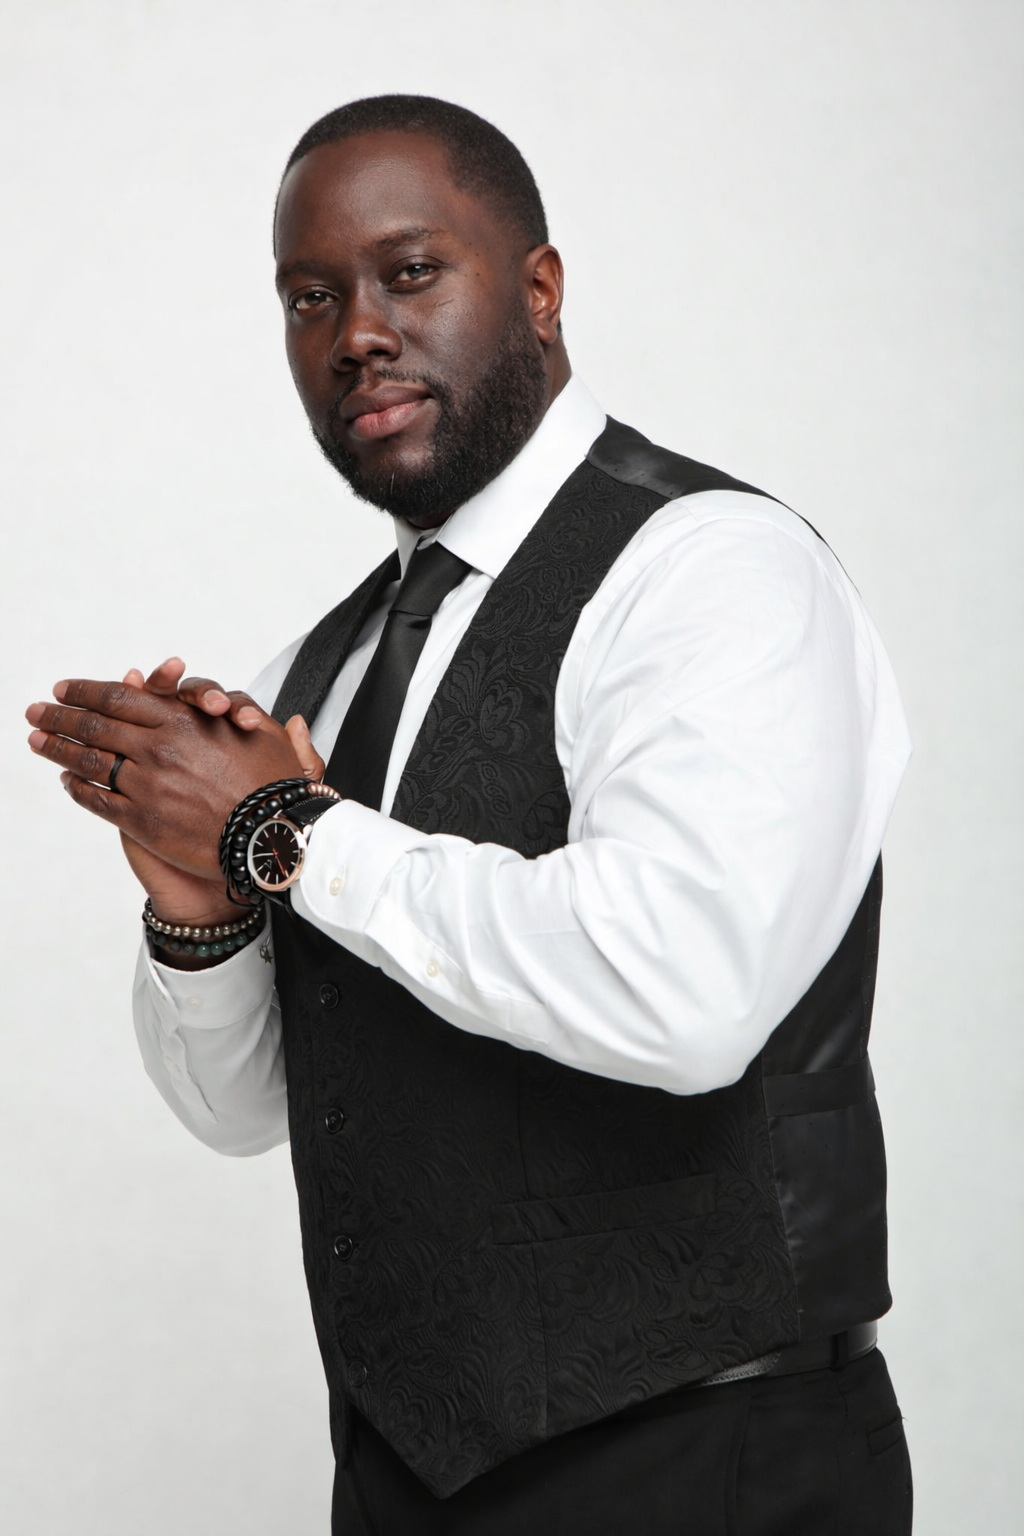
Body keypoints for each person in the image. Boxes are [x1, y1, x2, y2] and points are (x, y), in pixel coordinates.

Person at [26, 95, 914, 1533]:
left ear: (543, 290)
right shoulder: (322, 670)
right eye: (311, 299)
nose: (355, 332)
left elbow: (683, 989)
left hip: (708, 1461)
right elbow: (248, 1108)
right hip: (402, 1482)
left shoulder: (714, 574)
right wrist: (197, 904)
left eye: (408, 273)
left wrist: (283, 834)